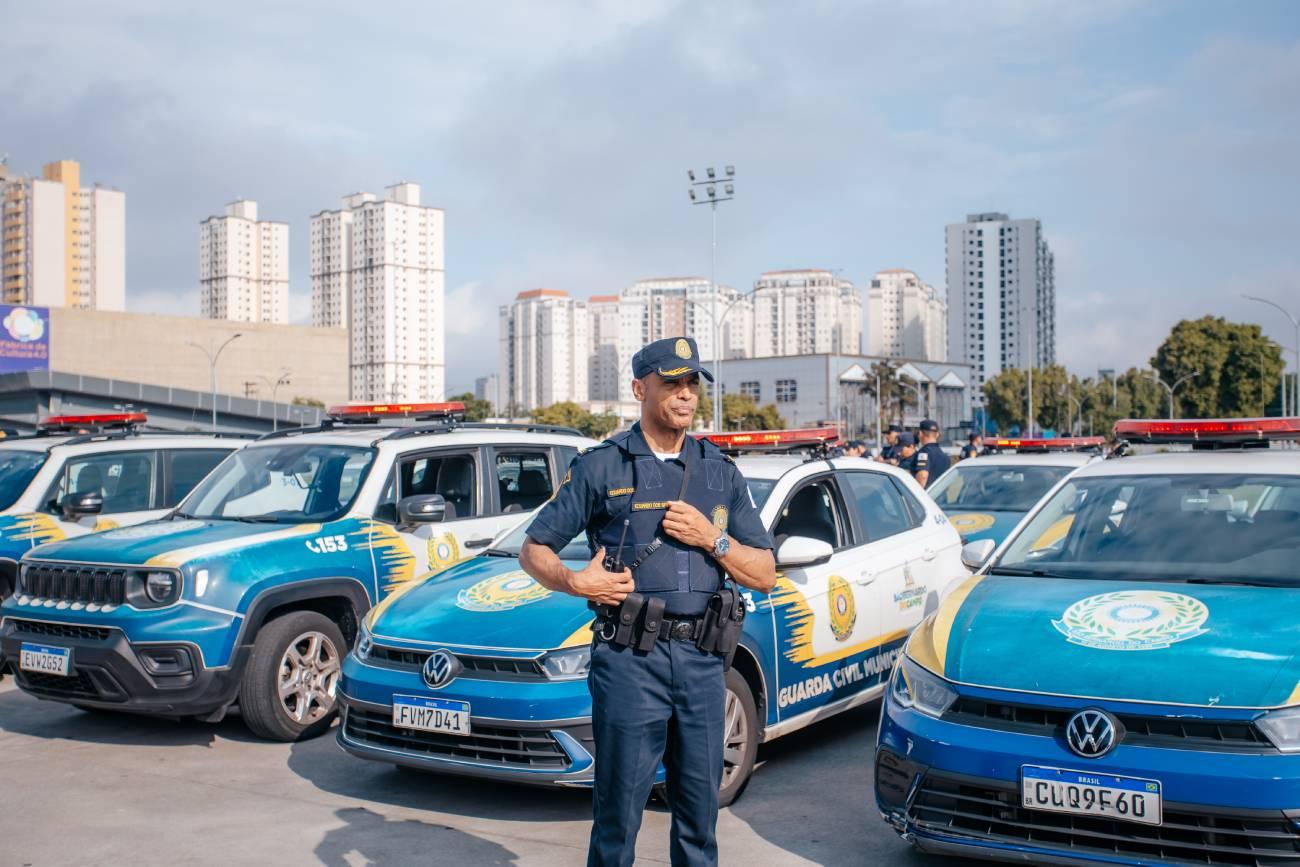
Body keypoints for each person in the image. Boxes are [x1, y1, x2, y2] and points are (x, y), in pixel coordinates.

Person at [519, 335, 777, 867]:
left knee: (699, 818)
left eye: (691, 384)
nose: (685, 395)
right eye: (671, 383)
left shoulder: (719, 471)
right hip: (631, 661)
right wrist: (576, 583)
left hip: (705, 663)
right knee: (618, 817)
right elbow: (533, 549)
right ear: (640, 388)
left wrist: (715, 540)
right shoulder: (602, 467)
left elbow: (766, 573)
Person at [912, 419, 951, 488]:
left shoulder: (924, 453)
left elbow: (923, 476)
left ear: (920, 433)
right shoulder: (945, 456)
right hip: (940, 496)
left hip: (925, 496)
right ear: (937, 435)